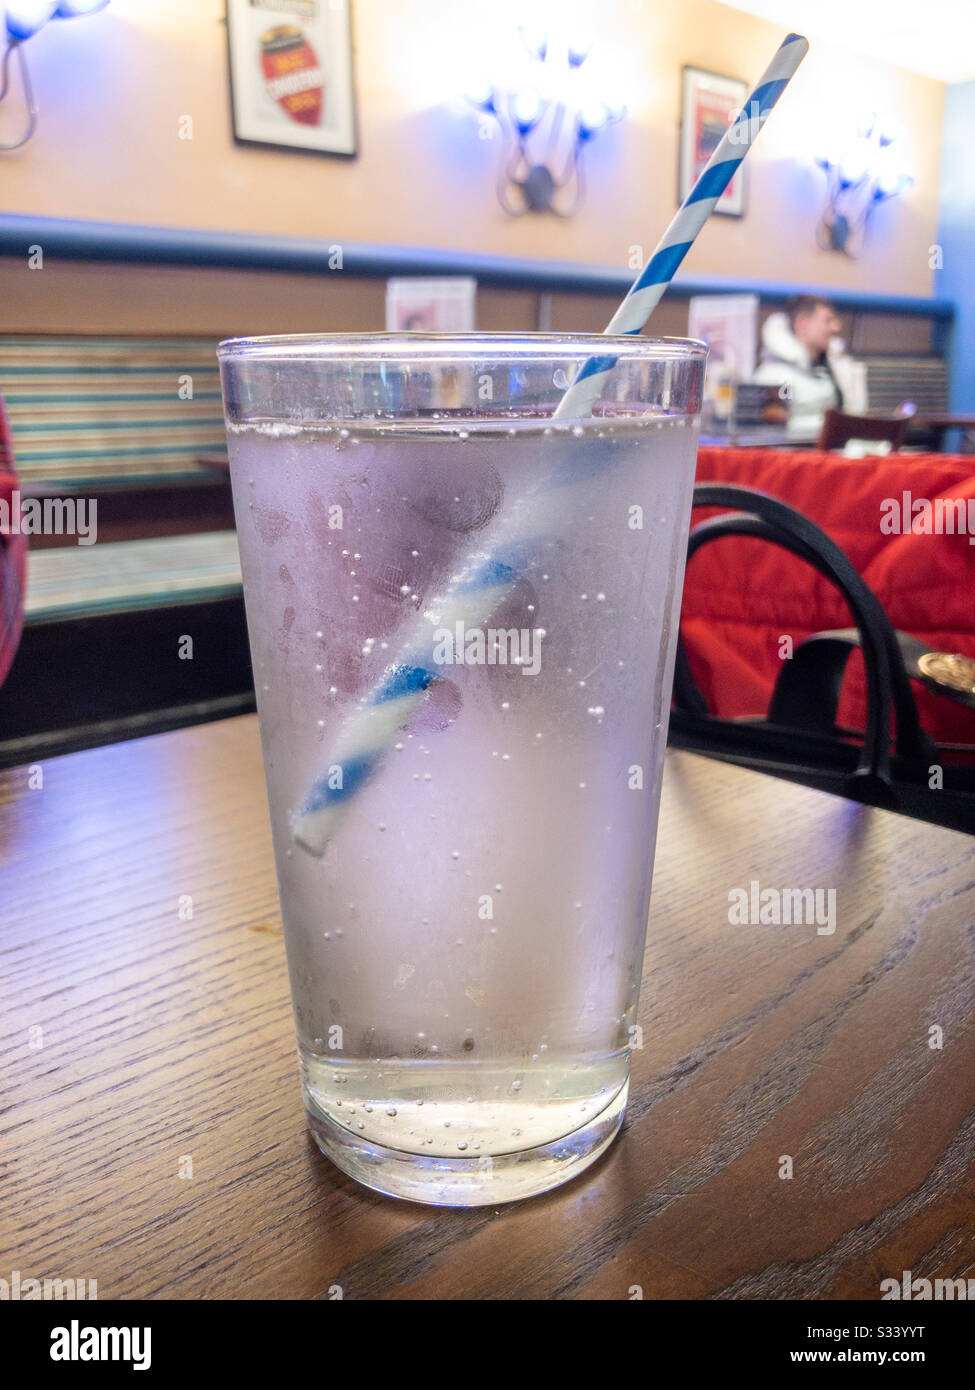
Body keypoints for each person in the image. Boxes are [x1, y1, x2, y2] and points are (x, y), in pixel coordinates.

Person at [753, 295, 867, 439]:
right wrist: (831, 426)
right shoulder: (776, 375)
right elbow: (775, 429)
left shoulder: (834, 367)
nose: (836, 327)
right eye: (828, 320)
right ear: (802, 324)